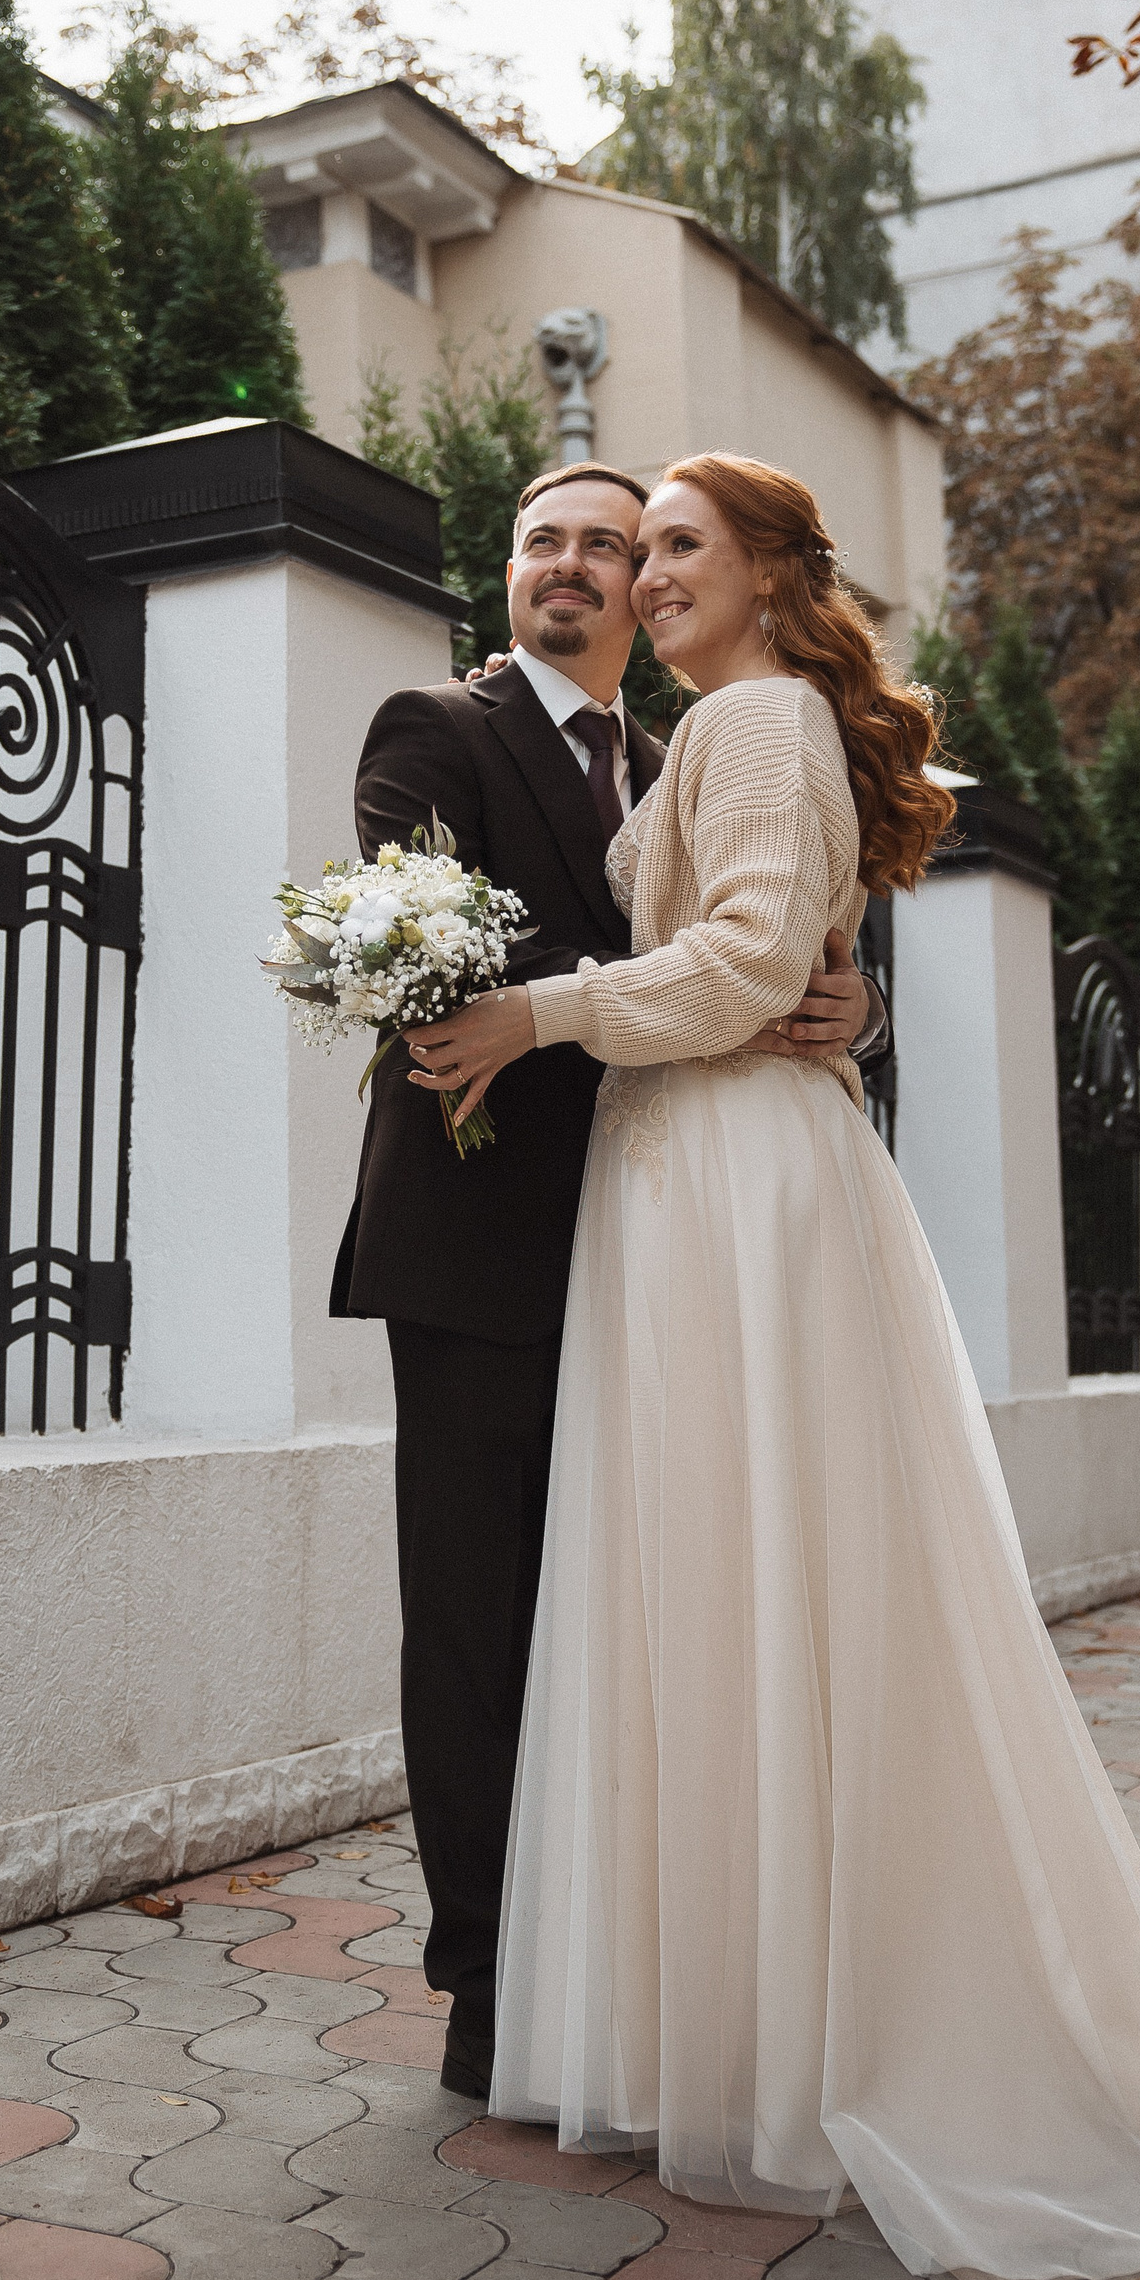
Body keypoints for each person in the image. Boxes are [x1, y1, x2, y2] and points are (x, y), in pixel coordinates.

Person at [404, 453, 1140, 2280]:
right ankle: (743, 2015)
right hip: (696, 1174)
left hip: (730, 1181)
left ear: (768, 574)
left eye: (676, 547)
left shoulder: (757, 719)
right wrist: (840, 984)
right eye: (630, 551)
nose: (643, 575)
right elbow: (776, 938)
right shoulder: (715, 729)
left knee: (755, 1588)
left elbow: (740, 961)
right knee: (743, 1593)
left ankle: (795, 2038)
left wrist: (546, 1011)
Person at [330, 461, 882, 2099]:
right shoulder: (434, 727)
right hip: (490, 1251)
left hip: (675, 1245)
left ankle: (634, 1972)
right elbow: (431, 962)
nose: (575, 565)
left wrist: (848, 1005)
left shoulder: (695, 742)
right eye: (543, 541)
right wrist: (687, 996)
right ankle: (490, 1988)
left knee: (651, 1622)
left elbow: (771, 932)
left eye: (612, 544)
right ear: (509, 573)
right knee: (481, 1626)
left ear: (651, 583)